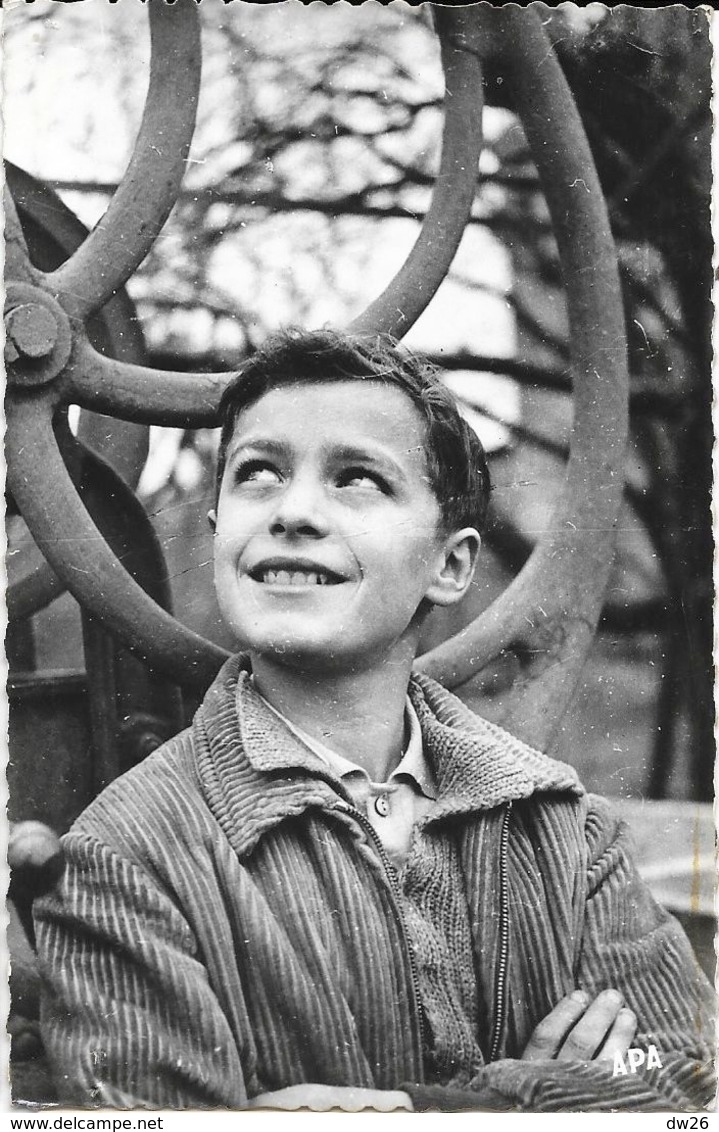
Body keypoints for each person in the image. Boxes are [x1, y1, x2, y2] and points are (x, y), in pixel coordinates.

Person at [35, 330, 714, 1111]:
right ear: (219, 525)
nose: (291, 512)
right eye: (257, 473)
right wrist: (551, 1098)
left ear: (449, 564)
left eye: (356, 479)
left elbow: (686, 1092)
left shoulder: (565, 833)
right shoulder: (122, 858)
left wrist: (434, 1111)